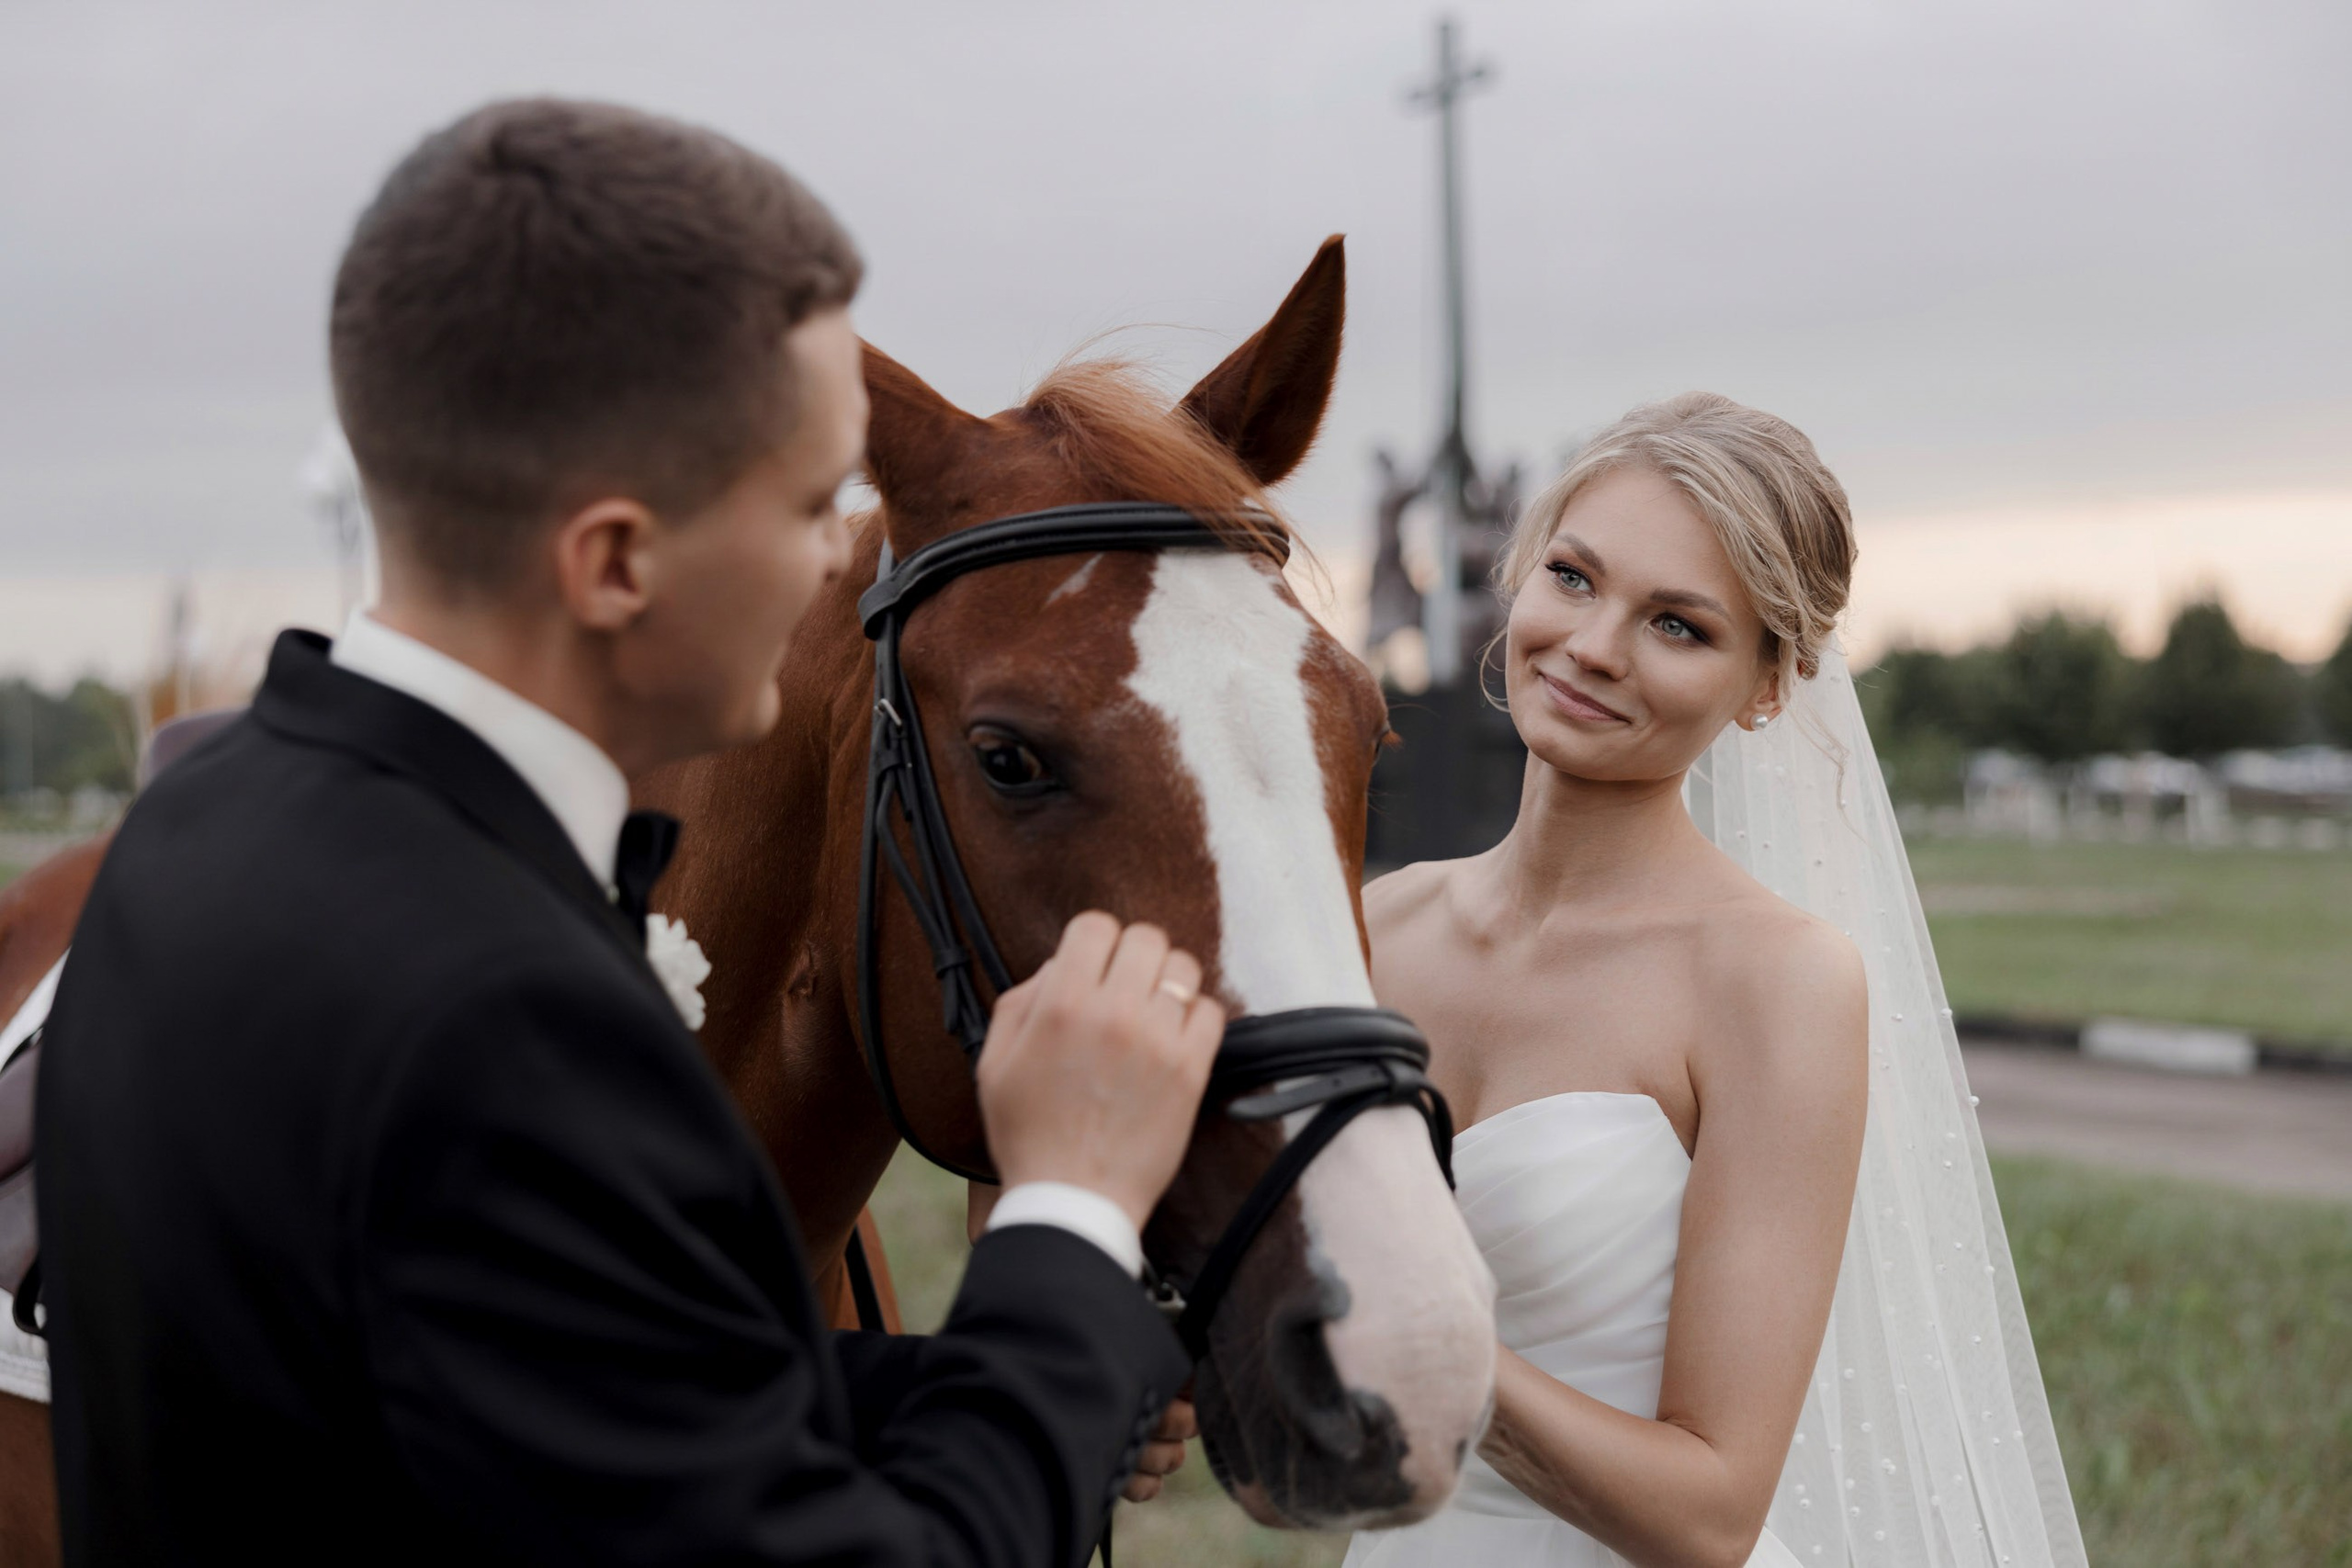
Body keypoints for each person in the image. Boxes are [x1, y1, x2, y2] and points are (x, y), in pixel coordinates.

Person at [37, 98, 1220, 1567]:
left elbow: (498, 1370)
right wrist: (1070, 1216)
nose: (826, 565)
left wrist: (939, 1384)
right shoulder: (505, 1013)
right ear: (614, 562)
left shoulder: (207, 818)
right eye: (807, 506)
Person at [1347, 395, 2086, 1568]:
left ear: (1766, 688)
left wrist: (1413, 1336)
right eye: (1574, 577)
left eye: (1678, 626)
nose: (1592, 646)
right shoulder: (1376, 927)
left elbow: (1710, 1514)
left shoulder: (1777, 983)